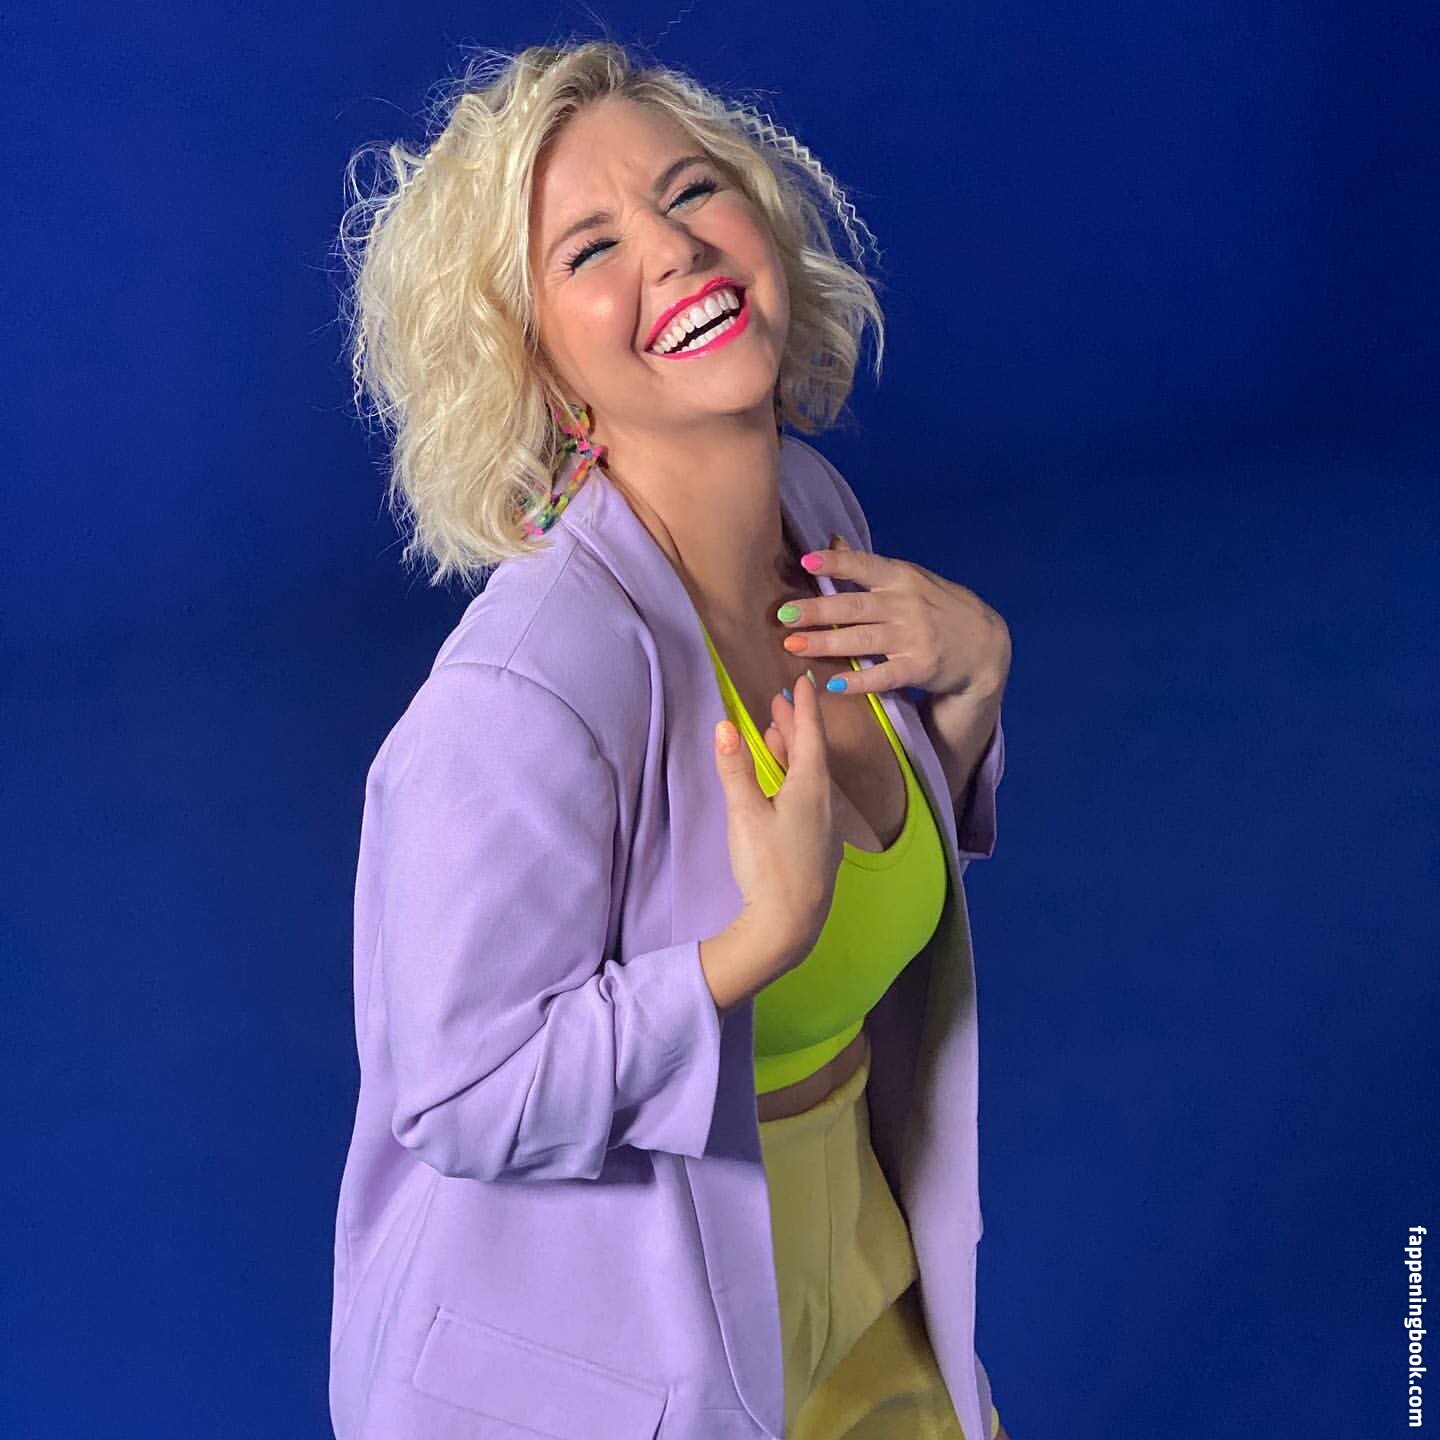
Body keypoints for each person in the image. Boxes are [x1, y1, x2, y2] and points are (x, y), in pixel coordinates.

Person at [329, 38, 1011, 1440]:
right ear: (535, 363)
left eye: (692, 190)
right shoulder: (526, 690)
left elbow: (864, 881)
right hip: (624, 1349)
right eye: (590, 249)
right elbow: (462, 1093)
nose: (676, 249)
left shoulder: (817, 521)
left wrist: (973, 688)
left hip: (856, 1259)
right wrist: (745, 950)